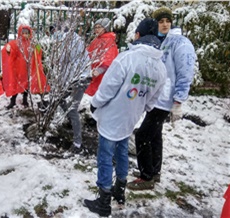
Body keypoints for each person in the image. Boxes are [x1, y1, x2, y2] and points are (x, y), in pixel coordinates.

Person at [83, 18, 167, 216]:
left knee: (105, 157)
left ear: (138, 35)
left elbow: (107, 89)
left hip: (112, 118)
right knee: (121, 153)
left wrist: (95, 104)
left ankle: (103, 201)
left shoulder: (126, 58)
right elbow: (151, 101)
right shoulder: (160, 68)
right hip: (131, 118)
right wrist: (137, 106)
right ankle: (119, 192)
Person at [127, 7, 197, 191]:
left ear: (171, 22)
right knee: (155, 136)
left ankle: (146, 176)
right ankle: (154, 171)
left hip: (165, 99)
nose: (165, 24)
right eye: (161, 21)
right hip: (155, 98)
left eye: (167, 20)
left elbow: (185, 73)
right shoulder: (159, 41)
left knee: (142, 135)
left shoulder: (180, 43)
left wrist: (178, 101)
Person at [55, 25, 91, 153]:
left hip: (79, 79)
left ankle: (77, 143)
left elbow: (63, 62)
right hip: (76, 78)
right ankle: (71, 120)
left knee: (72, 108)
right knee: (60, 99)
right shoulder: (76, 40)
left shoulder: (68, 42)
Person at [1, 25, 49, 109]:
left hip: (28, 68)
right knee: (16, 84)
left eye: (27, 33)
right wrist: (8, 50)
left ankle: (25, 99)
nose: (25, 35)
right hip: (18, 68)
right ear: (20, 33)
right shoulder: (16, 43)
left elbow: (39, 51)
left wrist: (38, 47)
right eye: (23, 33)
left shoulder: (32, 43)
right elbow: (11, 51)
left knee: (26, 84)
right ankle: (13, 100)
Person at [85, 18, 119, 96]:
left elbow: (109, 58)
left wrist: (100, 70)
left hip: (101, 75)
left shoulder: (109, 41)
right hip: (92, 74)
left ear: (105, 28)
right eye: (95, 27)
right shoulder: (96, 40)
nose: (96, 29)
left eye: (99, 27)